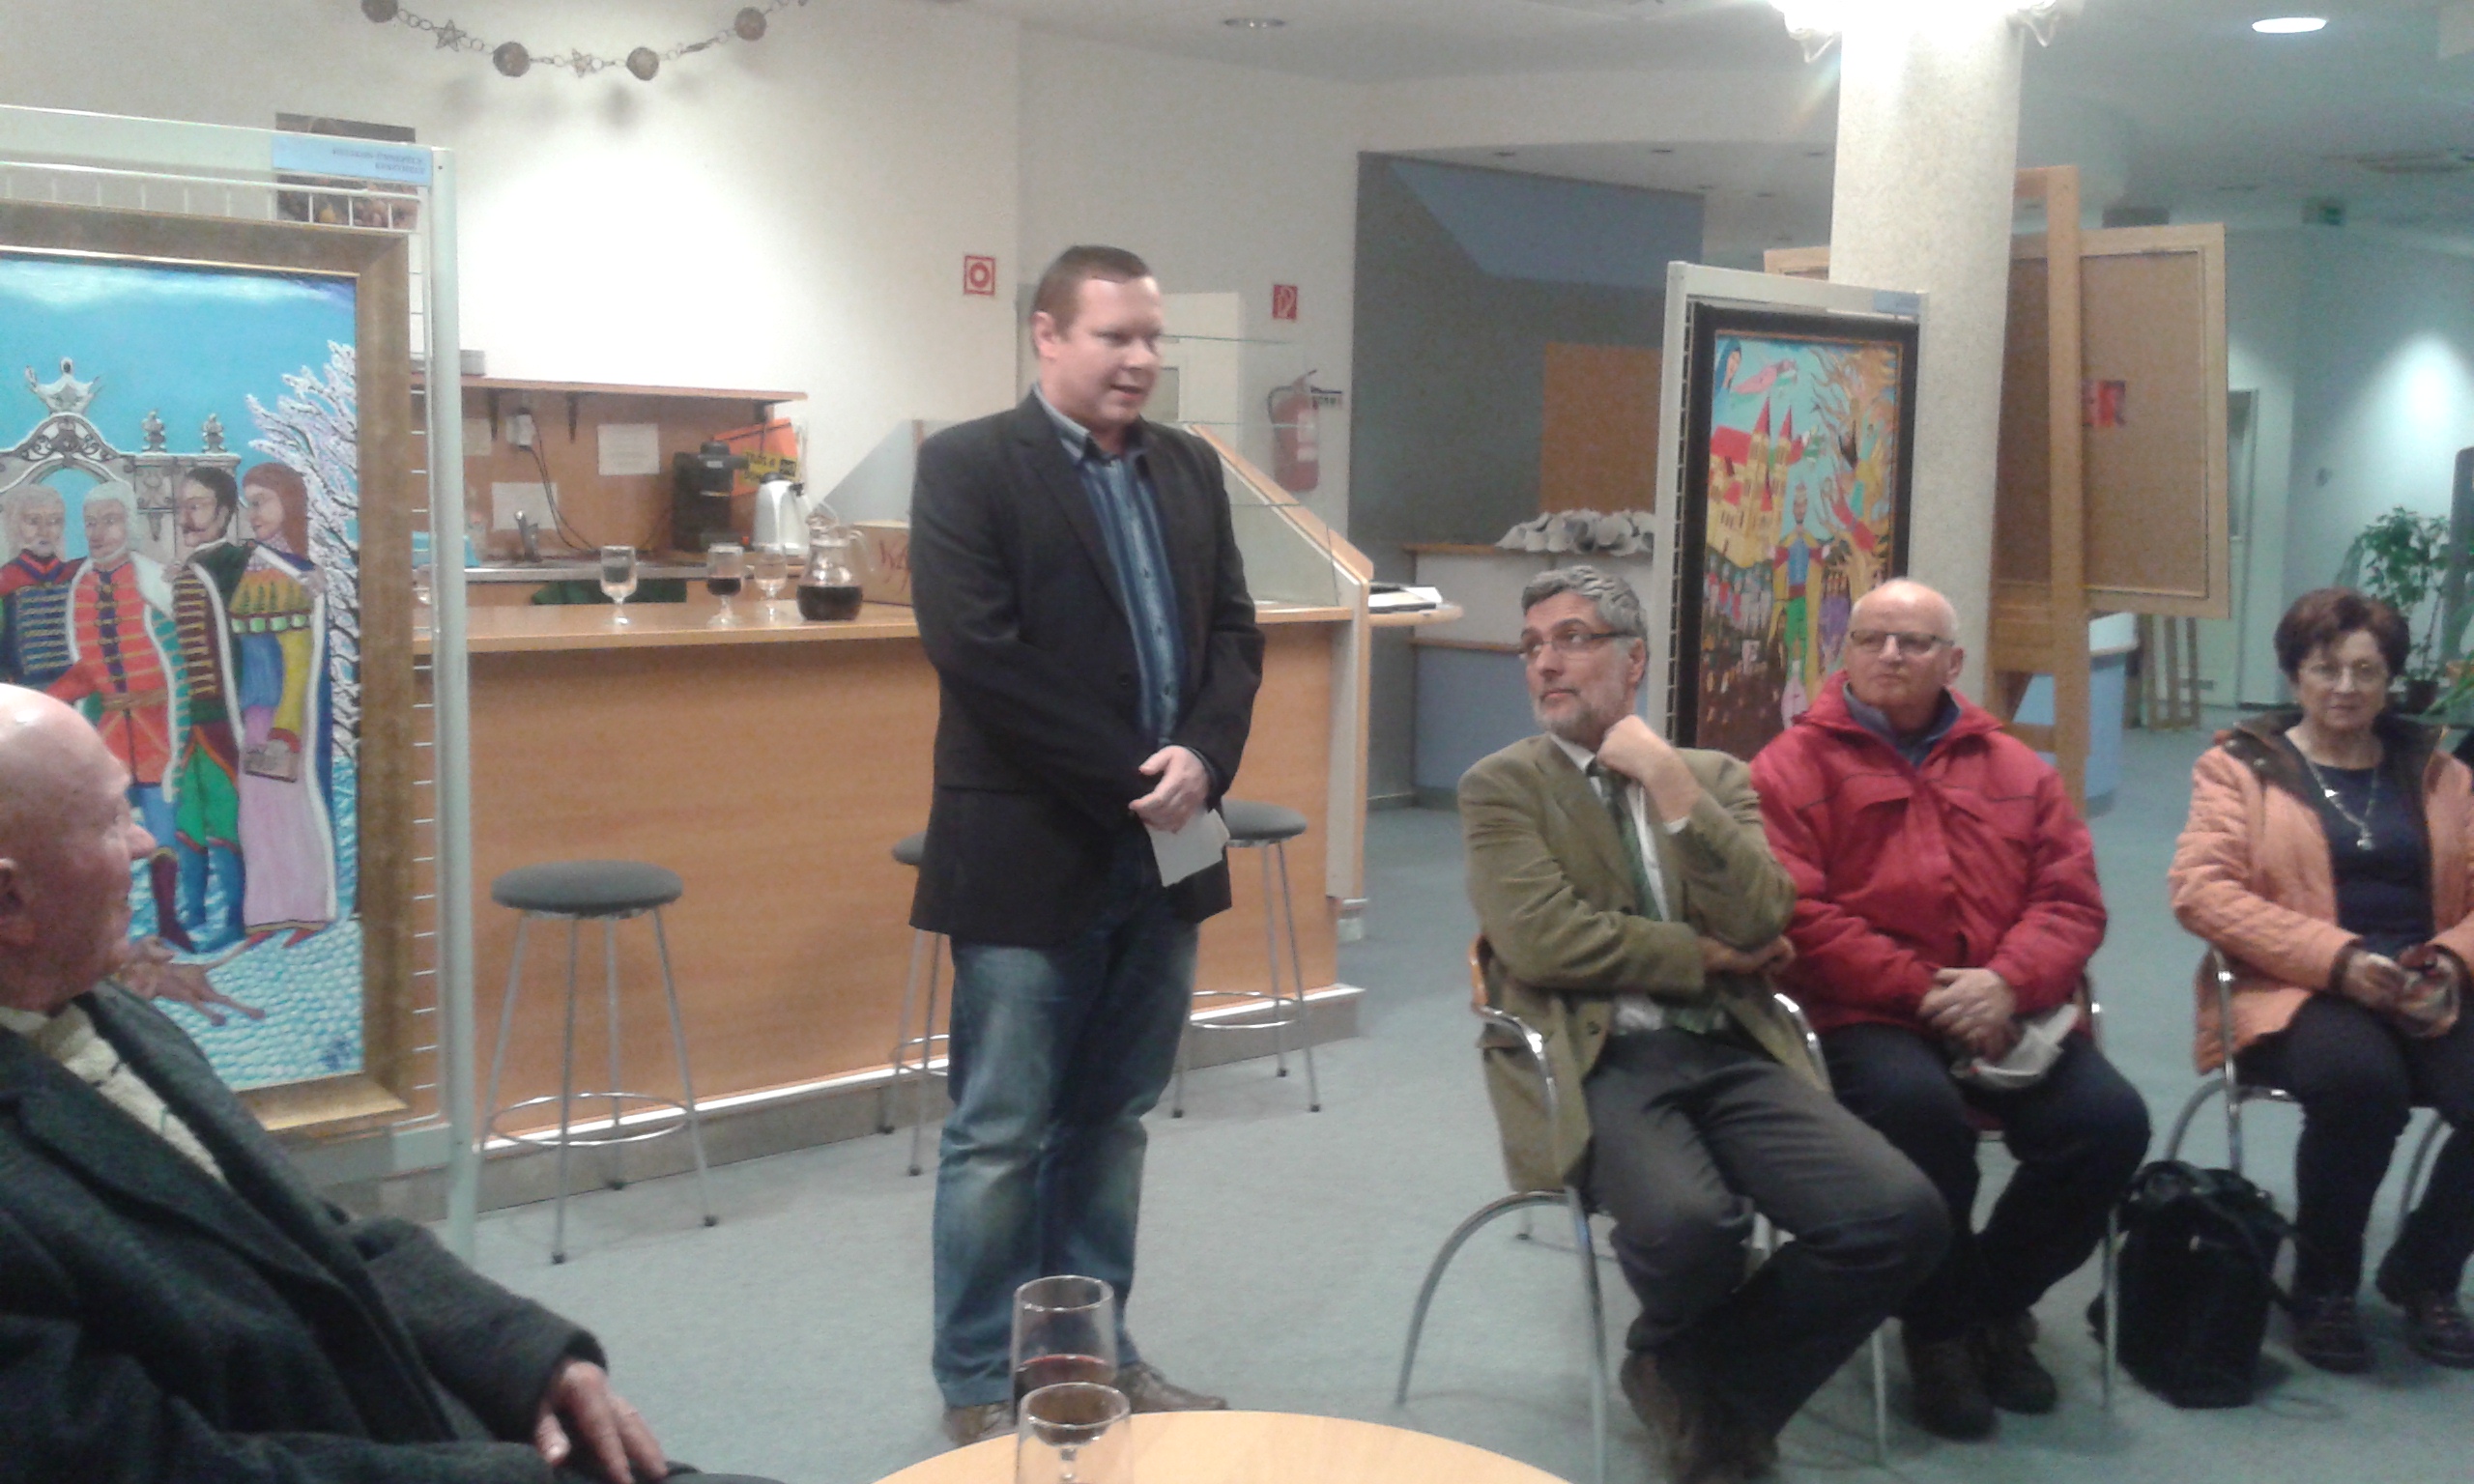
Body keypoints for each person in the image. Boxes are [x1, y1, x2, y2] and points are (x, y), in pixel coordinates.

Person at [0, 683, 782, 1484]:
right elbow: (149, 1466)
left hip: (435, 1429)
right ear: (8, 900)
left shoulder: (102, 1009)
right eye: (110, 821)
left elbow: (312, 1235)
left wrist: (523, 1353)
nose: (144, 843)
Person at [1461, 565, 1945, 1484]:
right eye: (1531, 647)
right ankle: (1718, 1408)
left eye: (1571, 639)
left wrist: (1668, 781)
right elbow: (1543, 942)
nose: (1544, 664)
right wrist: (1707, 954)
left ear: (1633, 660)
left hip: (1729, 1043)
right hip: (1599, 1052)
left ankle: (1690, 1374)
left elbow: (1763, 913)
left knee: (1899, 1216)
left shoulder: (1714, 777)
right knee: (1691, 1227)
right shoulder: (1503, 787)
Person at [906, 245, 1264, 1446]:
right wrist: (1140, 781)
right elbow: (979, 654)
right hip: (1032, 844)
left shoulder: (1189, 466)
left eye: (1152, 337)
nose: (1141, 359)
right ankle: (976, 1381)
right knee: (1001, 1133)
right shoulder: (968, 466)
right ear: (1048, 336)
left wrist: (1202, 758)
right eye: (1116, 336)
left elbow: (1233, 632)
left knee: (1113, 1123)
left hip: (1176, 836)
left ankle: (1087, 1360)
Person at [1750, 578, 2148, 1441]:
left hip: (2010, 1010)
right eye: (1872, 638)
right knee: (1920, 1119)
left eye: (1915, 642)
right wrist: (1925, 990)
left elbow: (2071, 902)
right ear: (1846, 651)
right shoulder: (1788, 767)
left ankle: (1989, 1304)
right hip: (1867, 1013)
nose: (1890, 655)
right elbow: (1798, 917)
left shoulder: (2017, 768)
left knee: (2109, 1125)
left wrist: (2006, 982)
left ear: (1954, 662)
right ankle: (1937, 1334)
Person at [2170, 587, 2474, 1372]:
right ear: (2294, 675)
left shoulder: (2441, 774)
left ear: (2390, 679)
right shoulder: (2239, 768)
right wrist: (2337, 960)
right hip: (2296, 985)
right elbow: (2202, 891)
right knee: (2361, 1087)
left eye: (2366, 671)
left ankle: (2426, 1271)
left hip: (2426, 980)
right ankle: (2325, 1285)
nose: (2345, 687)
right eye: (2325, 669)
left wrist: (2451, 958)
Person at [46, 481, 190, 952]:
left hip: (158, 732)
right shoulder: (83, 585)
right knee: (105, 834)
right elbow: (87, 668)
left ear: (128, 523)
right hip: (110, 733)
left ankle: (169, 921)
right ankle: (112, 927)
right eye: (90, 523)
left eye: (109, 521)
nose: (98, 532)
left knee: (163, 830)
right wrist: (44, 702)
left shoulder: (153, 579)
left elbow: (184, 652)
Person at [228, 462, 338, 939]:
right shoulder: (250, 566)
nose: (252, 513)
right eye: (247, 503)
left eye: (261, 502)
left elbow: (299, 661)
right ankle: (268, 910)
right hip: (254, 709)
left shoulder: (298, 574)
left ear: (288, 503)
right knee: (258, 814)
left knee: (291, 810)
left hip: (283, 715)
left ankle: (306, 907)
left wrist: (286, 728)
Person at [169, 468, 248, 949]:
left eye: (197, 506)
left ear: (223, 512)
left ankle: (236, 916)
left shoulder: (236, 563)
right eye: (183, 506)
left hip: (225, 715)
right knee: (190, 816)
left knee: (224, 814)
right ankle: (192, 912)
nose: (187, 517)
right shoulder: (191, 567)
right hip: (194, 716)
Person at [0, 482, 74, 689]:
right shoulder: (5, 580)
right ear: (15, 525)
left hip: (73, 690)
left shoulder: (75, 577)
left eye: (54, 521)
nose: (44, 531)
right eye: (33, 521)